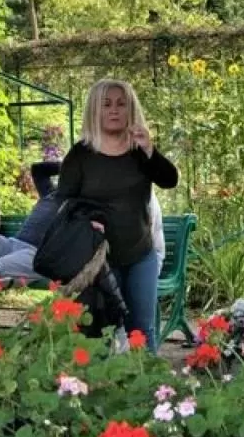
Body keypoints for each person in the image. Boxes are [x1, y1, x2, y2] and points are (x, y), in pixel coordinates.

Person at [57, 79, 178, 352]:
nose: (114, 110)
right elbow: (63, 203)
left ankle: (150, 391)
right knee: (98, 331)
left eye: (121, 104)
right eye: (107, 104)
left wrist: (150, 149)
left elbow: (170, 180)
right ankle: (98, 390)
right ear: (94, 110)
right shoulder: (80, 155)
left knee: (142, 329)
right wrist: (86, 221)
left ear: (130, 110)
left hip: (140, 254)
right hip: (98, 260)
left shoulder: (139, 152)